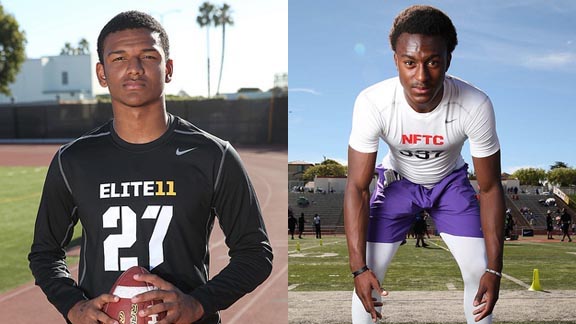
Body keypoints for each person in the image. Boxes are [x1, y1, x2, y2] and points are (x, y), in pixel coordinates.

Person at [28, 11, 273, 324]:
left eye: (148, 55)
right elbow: (45, 253)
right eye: (119, 58)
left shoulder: (214, 155)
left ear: (167, 68)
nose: (133, 68)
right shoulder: (72, 160)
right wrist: (73, 306)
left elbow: (256, 254)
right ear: (102, 74)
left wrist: (197, 304)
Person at [344, 5, 504, 324]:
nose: (421, 76)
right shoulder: (372, 102)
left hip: (450, 185)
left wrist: (495, 268)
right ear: (396, 61)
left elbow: (489, 187)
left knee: (478, 270)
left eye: (433, 62)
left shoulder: (475, 104)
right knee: (369, 273)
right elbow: (358, 186)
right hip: (398, 183)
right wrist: (357, 268)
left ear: (448, 60)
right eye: (409, 62)